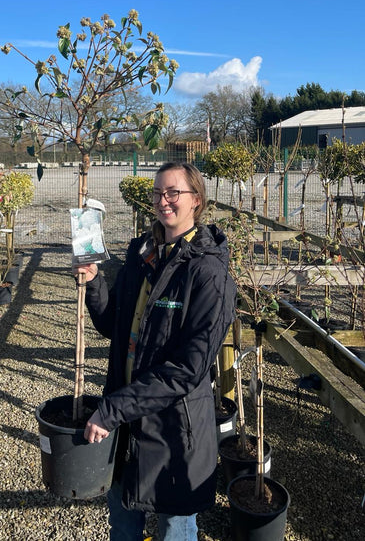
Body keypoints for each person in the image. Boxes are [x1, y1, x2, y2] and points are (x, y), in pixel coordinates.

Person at [74, 162, 237, 541]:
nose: (163, 201)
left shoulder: (207, 272)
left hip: (173, 435)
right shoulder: (141, 253)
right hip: (126, 427)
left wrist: (112, 410)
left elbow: (186, 369)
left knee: (174, 532)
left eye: (173, 193)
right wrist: (96, 283)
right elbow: (111, 325)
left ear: (196, 200)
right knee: (123, 529)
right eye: (157, 193)